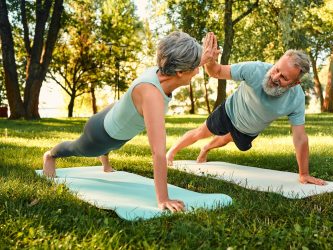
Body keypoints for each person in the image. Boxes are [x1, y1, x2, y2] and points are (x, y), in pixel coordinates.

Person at [43, 31, 218, 212]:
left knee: (115, 143)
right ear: (180, 71)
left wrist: (203, 58)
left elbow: (184, 65)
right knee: (76, 148)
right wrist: (163, 198)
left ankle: (104, 158)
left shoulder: (162, 70)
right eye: (195, 67)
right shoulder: (152, 95)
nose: (198, 71)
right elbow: (158, 152)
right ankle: (50, 155)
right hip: (100, 135)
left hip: (114, 115)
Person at [167, 41, 326, 185]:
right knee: (200, 132)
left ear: (295, 83)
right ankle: (171, 153)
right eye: (276, 69)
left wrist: (304, 174)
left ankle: (206, 148)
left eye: (283, 77)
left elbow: (299, 137)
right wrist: (210, 59)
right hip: (229, 112)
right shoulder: (255, 69)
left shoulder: (296, 99)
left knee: (226, 140)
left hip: (248, 131)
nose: (275, 77)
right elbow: (216, 71)